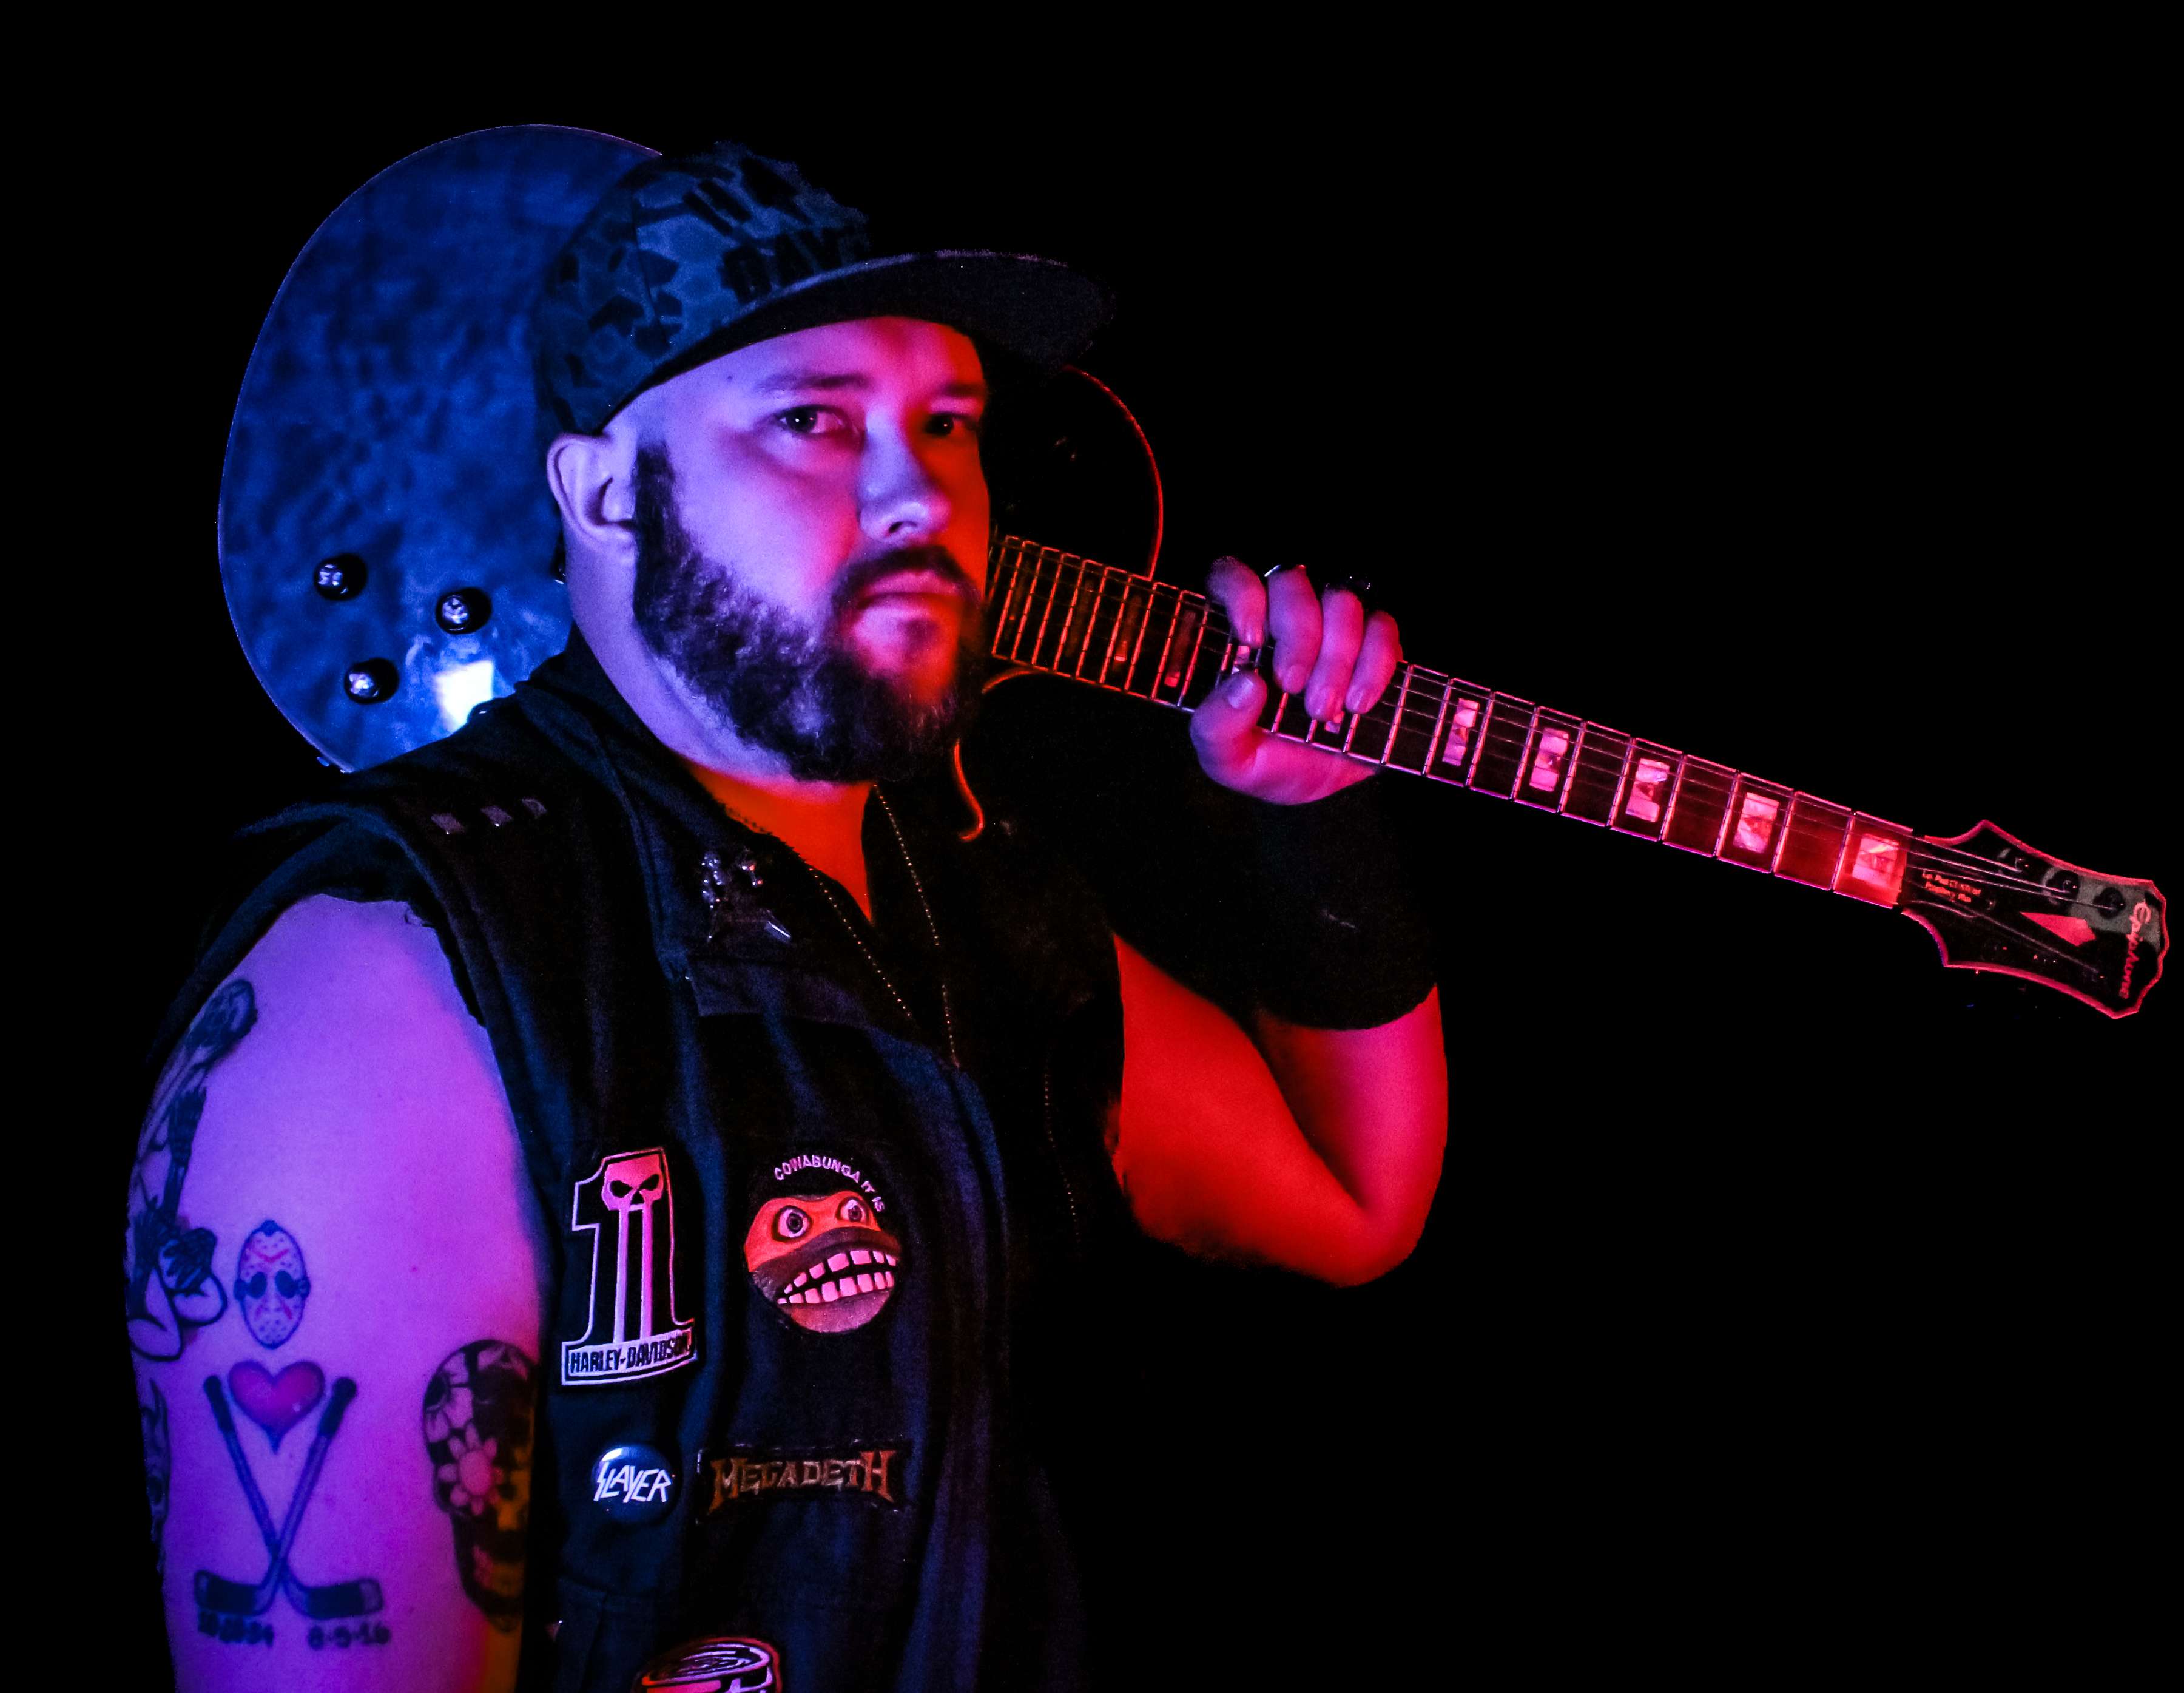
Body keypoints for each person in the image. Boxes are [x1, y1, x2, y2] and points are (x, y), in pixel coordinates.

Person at [127, 142, 1446, 1692]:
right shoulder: (395, 984)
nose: (921, 496)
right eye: (813, 421)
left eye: (948, 426)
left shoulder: (972, 913)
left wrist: (1309, 826)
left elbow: (1358, 1199)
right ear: (606, 492)